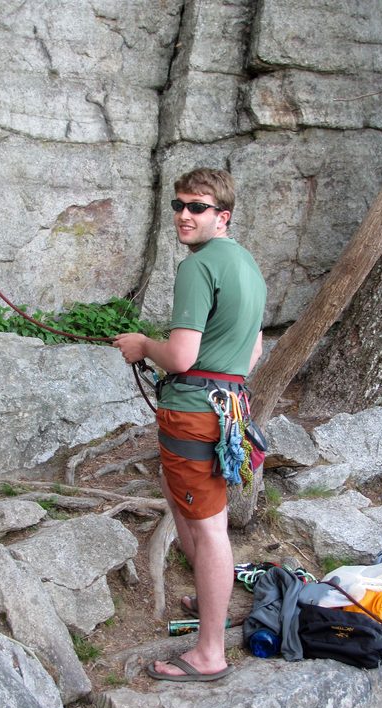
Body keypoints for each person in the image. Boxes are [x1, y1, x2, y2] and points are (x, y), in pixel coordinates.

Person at [114, 167, 267, 682]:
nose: (184, 215)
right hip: (228, 409)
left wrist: (142, 346)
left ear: (221, 216)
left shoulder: (198, 268)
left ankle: (209, 652)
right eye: (179, 205)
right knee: (207, 520)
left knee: (207, 528)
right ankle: (210, 601)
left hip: (196, 413)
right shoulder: (246, 264)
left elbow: (180, 355)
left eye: (197, 207)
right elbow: (255, 348)